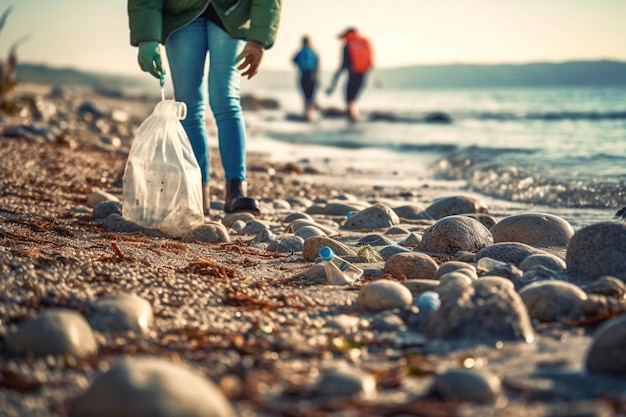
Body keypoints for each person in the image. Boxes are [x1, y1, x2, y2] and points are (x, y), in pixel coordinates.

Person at [127, 0, 282, 216]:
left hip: (232, 14)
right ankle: (196, 192)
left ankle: (236, 191)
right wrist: (147, 38)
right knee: (188, 107)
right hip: (180, 16)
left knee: (225, 99)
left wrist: (259, 39)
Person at [326, 27, 373, 122]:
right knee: (353, 99)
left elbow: (343, 65)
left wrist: (333, 83)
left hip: (353, 75)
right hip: (363, 74)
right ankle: (354, 118)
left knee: (349, 99)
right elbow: (370, 61)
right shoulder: (364, 41)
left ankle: (353, 120)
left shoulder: (348, 45)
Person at [292, 35, 319, 121]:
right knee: (311, 97)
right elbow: (318, 64)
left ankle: (306, 114)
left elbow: (293, 60)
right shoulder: (313, 52)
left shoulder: (300, 52)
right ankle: (310, 115)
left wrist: (300, 65)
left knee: (305, 96)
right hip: (312, 75)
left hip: (304, 74)